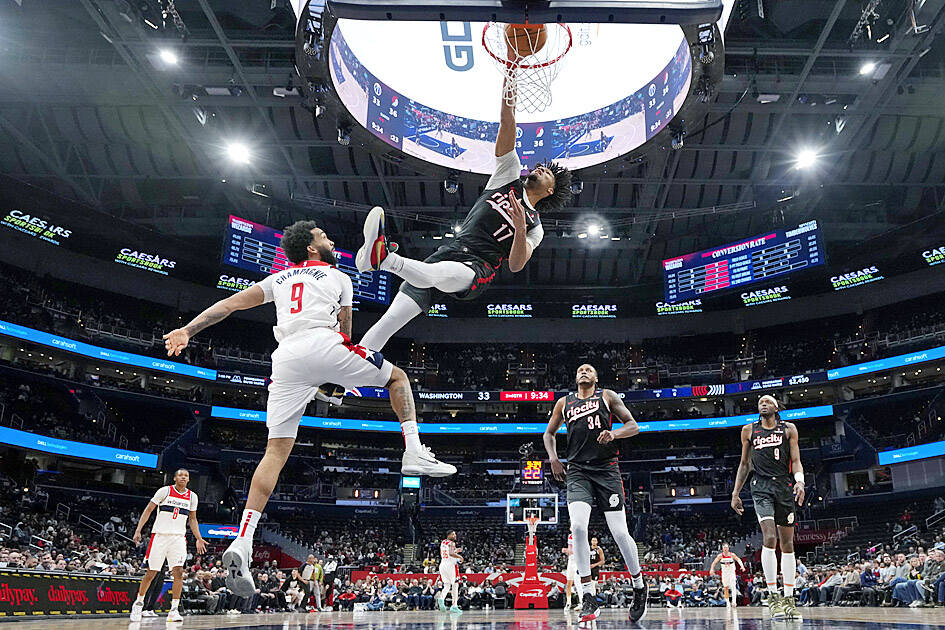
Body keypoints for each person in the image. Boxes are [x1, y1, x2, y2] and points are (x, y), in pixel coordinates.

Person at [161, 221, 455, 597]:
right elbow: (345, 335)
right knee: (397, 378)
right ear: (312, 249)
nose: (330, 240)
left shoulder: (278, 279)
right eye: (324, 237)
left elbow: (229, 305)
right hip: (322, 343)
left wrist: (188, 330)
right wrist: (335, 380)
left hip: (285, 358)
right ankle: (413, 450)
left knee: (275, 451)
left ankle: (244, 539)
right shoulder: (339, 277)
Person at [354, 76, 572, 353]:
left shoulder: (535, 226)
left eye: (547, 172)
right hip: (452, 249)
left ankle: (384, 259)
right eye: (541, 166)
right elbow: (507, 121)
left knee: (434, 274)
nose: (540, 168)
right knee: (389, 322)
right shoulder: (508, 175)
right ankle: (347, 371)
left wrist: (519, 228)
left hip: (478, 266)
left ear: (550, 190)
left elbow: (517, 265)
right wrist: (511, 75)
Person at [543, 364, 647, 623]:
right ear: (575, 377)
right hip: (578, 470)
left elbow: (633, 426)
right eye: (580, 369)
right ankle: (588, 595)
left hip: (607, 470)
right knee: (578, 527)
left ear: (596, 378)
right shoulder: (564, 402)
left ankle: (638, 585)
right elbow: (548, 433)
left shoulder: (607, 396)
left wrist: (614, 433)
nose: (583, 371)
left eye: (589, 370)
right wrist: (553, 458)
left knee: (620, 532)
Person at [731, 395, 805, 619]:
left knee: (788, 543)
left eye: (767, 401)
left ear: (776, 407)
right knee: (770, 537)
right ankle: (773, 596)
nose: (763, 403)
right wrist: (735, 493)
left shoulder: (788, 429)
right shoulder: (749, 430)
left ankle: (789, 600)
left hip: (784, 485)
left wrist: (800, 481)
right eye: (760, 402)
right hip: (760, 486)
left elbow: (796, 460)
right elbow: (744, 464)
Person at [130, 469, 207, 623]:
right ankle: (138, 604)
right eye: (180, 475)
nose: (183, 477)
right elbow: (148, 510)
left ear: (188, 479)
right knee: (151, 573)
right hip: (160, 536)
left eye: (186, 476)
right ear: (174, 478)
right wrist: (138, 530)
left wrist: (199, 538)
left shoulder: (192, 496)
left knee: (178, 572)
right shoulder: (164, 491)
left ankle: (174, 610)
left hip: (178, 538)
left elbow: (192, 519)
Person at [709, 542, 745, 608]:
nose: (725, 549)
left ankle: (734, 602)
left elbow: (738, 559)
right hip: (725, 573)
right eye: (724, 548)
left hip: (731, 572)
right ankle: (727, 602)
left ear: (728, 548)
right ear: (722, 549)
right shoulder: (720, 556)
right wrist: (711, 569)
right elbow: (714, 563)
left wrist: (742, 566)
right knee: (726, 588)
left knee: (733, 586)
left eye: (726, 547)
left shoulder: (732, 555)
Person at [437, 530, 463, 614]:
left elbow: (446, 553)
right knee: (455, 585)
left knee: (447, 585)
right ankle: (454, 606)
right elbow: (451, 553)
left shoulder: (443, 542)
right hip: (451, 565)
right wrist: (460, 557)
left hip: (443, 564)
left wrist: (456, 551)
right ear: (448, 535)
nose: (455, 536)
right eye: (453, 534)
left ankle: (441, 598)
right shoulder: (452, 543)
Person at [562, 532, 582, 610]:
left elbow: (579, 550)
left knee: (577, 582)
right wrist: (567, 551)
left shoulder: (580, 536)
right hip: (571, 560)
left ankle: (581, 602)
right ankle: (568, 603)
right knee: (569, 582)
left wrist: (566, 550)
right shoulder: (569, 536)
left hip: (578, 560)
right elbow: (570, 550)